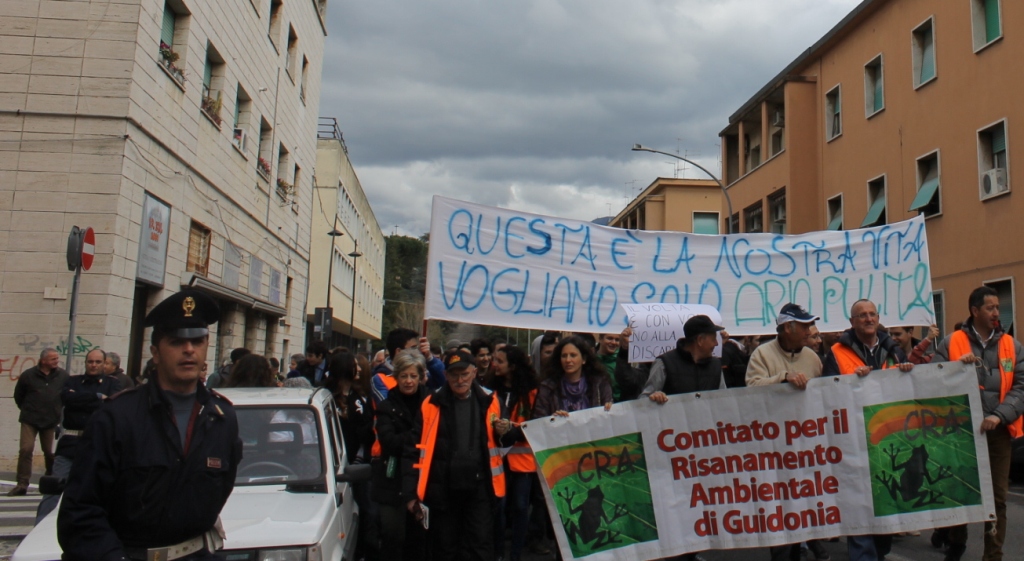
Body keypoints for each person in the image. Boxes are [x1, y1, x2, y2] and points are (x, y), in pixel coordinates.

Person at [57, 289, 241, 561]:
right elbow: (81, 512)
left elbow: (218, 493)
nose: (189, 350)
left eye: (198, 341)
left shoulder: (221, 418)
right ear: (155, 352)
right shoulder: (116, 417)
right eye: (176, 342)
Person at [933, 286, 1024, 561]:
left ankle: (993, 555)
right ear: (975, 311)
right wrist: (955, 369)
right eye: (991, 308)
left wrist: (999, 415)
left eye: (998, 307)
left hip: (998, 432)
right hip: (960, 432)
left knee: (997, 498)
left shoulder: (1011, 345)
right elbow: (933, 380)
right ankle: (956, 542)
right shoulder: (951, 343)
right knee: (961, 492)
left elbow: (1021, 386)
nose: (997, 312)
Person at [820, 300, 912, 561]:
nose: (868, 319)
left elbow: (907, 395)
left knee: (884, 515)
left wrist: (906, 372)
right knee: (860, 514)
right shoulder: (836, 353)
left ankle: (880, 552)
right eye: (862, 315)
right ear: (852, 322)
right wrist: (850, 384)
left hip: (888, 444)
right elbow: (829, 396)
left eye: (872, 314)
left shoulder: (895, 351)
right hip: (855, 444)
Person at [744, 304, 829, 561]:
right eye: (804, 325)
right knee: (779, 505)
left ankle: (811, 543)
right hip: (774, 446)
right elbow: (751, 389)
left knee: (807, 497)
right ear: (787, 328)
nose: (809, 331)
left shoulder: (813, 358)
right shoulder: (762, 354)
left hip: (806, 443)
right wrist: (783, 378)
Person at [405, 350, 507, 561]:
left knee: (480, 546)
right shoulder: (430, 404)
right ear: (446, 376)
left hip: (480, 489)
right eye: (454, 375)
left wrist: (506, 432)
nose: (459, 380)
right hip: (443, 490)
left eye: (464, 374)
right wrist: (410, 494)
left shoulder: (491, 401)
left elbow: (506, 441)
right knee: (445, 548)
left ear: (474, 372)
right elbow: (413, 450)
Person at [35, 348, 123, 522]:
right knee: (54, 489)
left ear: (104, 364)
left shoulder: (113, 384)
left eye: (98, 362)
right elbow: (67, 399)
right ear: (85, 363)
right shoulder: (72, 381)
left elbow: (111, 406)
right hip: (70, 443)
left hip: (97, 445)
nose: (93, 365)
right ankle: (40, 525)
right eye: (90, 361)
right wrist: (97, 397)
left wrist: (82, 399)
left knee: (97, 490)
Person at [373, 351, 429, 561]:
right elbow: (389, 442)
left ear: (421, 377)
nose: (408, 381)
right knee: (393, 536)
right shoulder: (386, 406)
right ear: (396, 377)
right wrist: (418, 437)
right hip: (393, 478)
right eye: (404, 376)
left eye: (413, 376)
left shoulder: (431, 402)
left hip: (424, 477)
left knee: (421, 538)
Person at [488, 345, 541, 561]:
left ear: (513, 366)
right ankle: (499, 553)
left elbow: (536, 424)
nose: (494, 364)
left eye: (499, 361)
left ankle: (516, 555)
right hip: (497, 459)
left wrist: (513, 430)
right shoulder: (490, 391)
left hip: (522, 461)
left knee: (520, 507)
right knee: (498, 508)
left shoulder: (533, 392)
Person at [10, 347, 69, 496]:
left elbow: (67, 396)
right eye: (53, 359)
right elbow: (19, 396)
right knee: (26, 449)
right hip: (30, 419)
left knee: (49, 452)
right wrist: (26, 409)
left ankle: (50, 479)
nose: (56, 361)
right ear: (43, 361)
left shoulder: (62, 376)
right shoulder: (28, 375)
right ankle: (22, 483)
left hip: (50, 420)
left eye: (57, 358)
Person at [641, 316, 726, 403]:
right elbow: (643, 400)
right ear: (700, 340)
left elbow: (724, 400)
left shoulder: (716, 366)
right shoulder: (664, 363)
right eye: (713, 339)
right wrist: (654, 397)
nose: (716, 343)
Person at [533, 335, 613, 417]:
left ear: (584, 359)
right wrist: (553, 420)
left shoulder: (599, 384)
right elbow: (540, 419)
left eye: (573, 355)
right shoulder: (548, 387)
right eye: (564, 356)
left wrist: (609, 410)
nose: (568, 360)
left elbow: (608, 418)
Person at [373, 328, 445, 404]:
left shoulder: (421, 372)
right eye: (413, 348)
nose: (418, 351)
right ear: (399, 352)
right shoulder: (380, 378)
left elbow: (442, 379)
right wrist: (418, 387)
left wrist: (429, 358)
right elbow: (388, 407)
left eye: (413, 376)